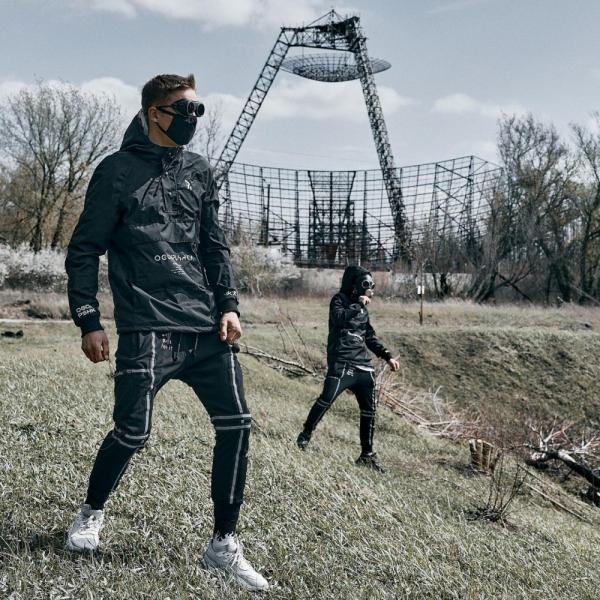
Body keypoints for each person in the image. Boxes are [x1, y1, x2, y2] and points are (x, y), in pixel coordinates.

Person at [64, 73, 268, 592]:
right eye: (184, 110)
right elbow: (84, 249)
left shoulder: (199, 171)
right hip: (147, 325)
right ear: (155, 112)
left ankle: (223, 544)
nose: (193, 119)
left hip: (205, 326)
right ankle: (90, 513)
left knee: (237, 425)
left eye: (198, 110)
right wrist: (88, 319)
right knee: (132, 433)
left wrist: (229, 305)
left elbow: (214, 245)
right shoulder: (115, 171)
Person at [296, 266, 400, 472]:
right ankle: (306, 434)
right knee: (326, 398)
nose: (369, 288)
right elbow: (339, 318)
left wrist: (387, 356)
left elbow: (369, 337)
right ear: (353, 284)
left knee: (369, 410)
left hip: (363, 366)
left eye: (371, 284)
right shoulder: (339, 300)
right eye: (365, 284)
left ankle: (367, 455)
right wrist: (357, 305)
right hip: (342, 362)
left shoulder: (363, 310)